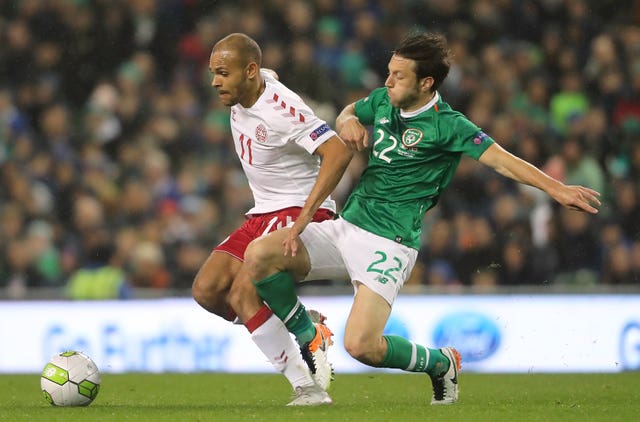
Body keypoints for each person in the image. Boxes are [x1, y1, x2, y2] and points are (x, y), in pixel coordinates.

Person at [228, 32, 601, 405]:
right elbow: (350, 112)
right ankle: (310, 334)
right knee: (259, 255)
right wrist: (347, 121)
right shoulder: (383, 101)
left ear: (426, 83)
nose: (387, 82)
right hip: (346, 227)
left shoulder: (448, 125)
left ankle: (442, 363)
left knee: (361, 346)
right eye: (388, 73)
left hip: (389, 243)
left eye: (398, 76)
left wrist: (557, 189)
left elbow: (502, 160)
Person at [191, 33, 353, 405]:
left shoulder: (281, 109)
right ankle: (300, 322)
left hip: (296, 209)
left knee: (243, 293)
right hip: (262, 210)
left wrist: (308, 215)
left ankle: (307, 387)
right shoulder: (253, 82)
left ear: (247, 72)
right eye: (213, 72)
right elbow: (269, 72)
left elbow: (337, 151)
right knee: (207, 290)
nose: (215, 81)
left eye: (222, 73)